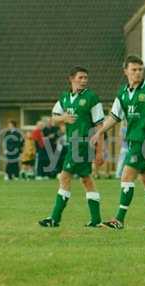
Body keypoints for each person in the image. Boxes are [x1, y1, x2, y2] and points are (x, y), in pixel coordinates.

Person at [91, 55, 145, 229]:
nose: (138, 73)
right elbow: (114, 116)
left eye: (140, 69)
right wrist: (100, 131)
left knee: (126, 176)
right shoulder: (123, 93)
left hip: (144, 141)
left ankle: (118, 220)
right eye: (134, 70)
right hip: (133, 141)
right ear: (125, 71)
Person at [38, 66, 105, 228]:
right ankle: (96, 220)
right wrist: (64, 118)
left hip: (82, 144)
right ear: (71, 78)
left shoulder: (91, 98)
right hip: (73, 144)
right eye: (80, 77)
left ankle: (55, 218)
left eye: (85, 78)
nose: (83, 81)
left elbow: (100, 126)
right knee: (87, 180)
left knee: (65, 176)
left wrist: (100, 151)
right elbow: (53, 118)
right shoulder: (65, 97)